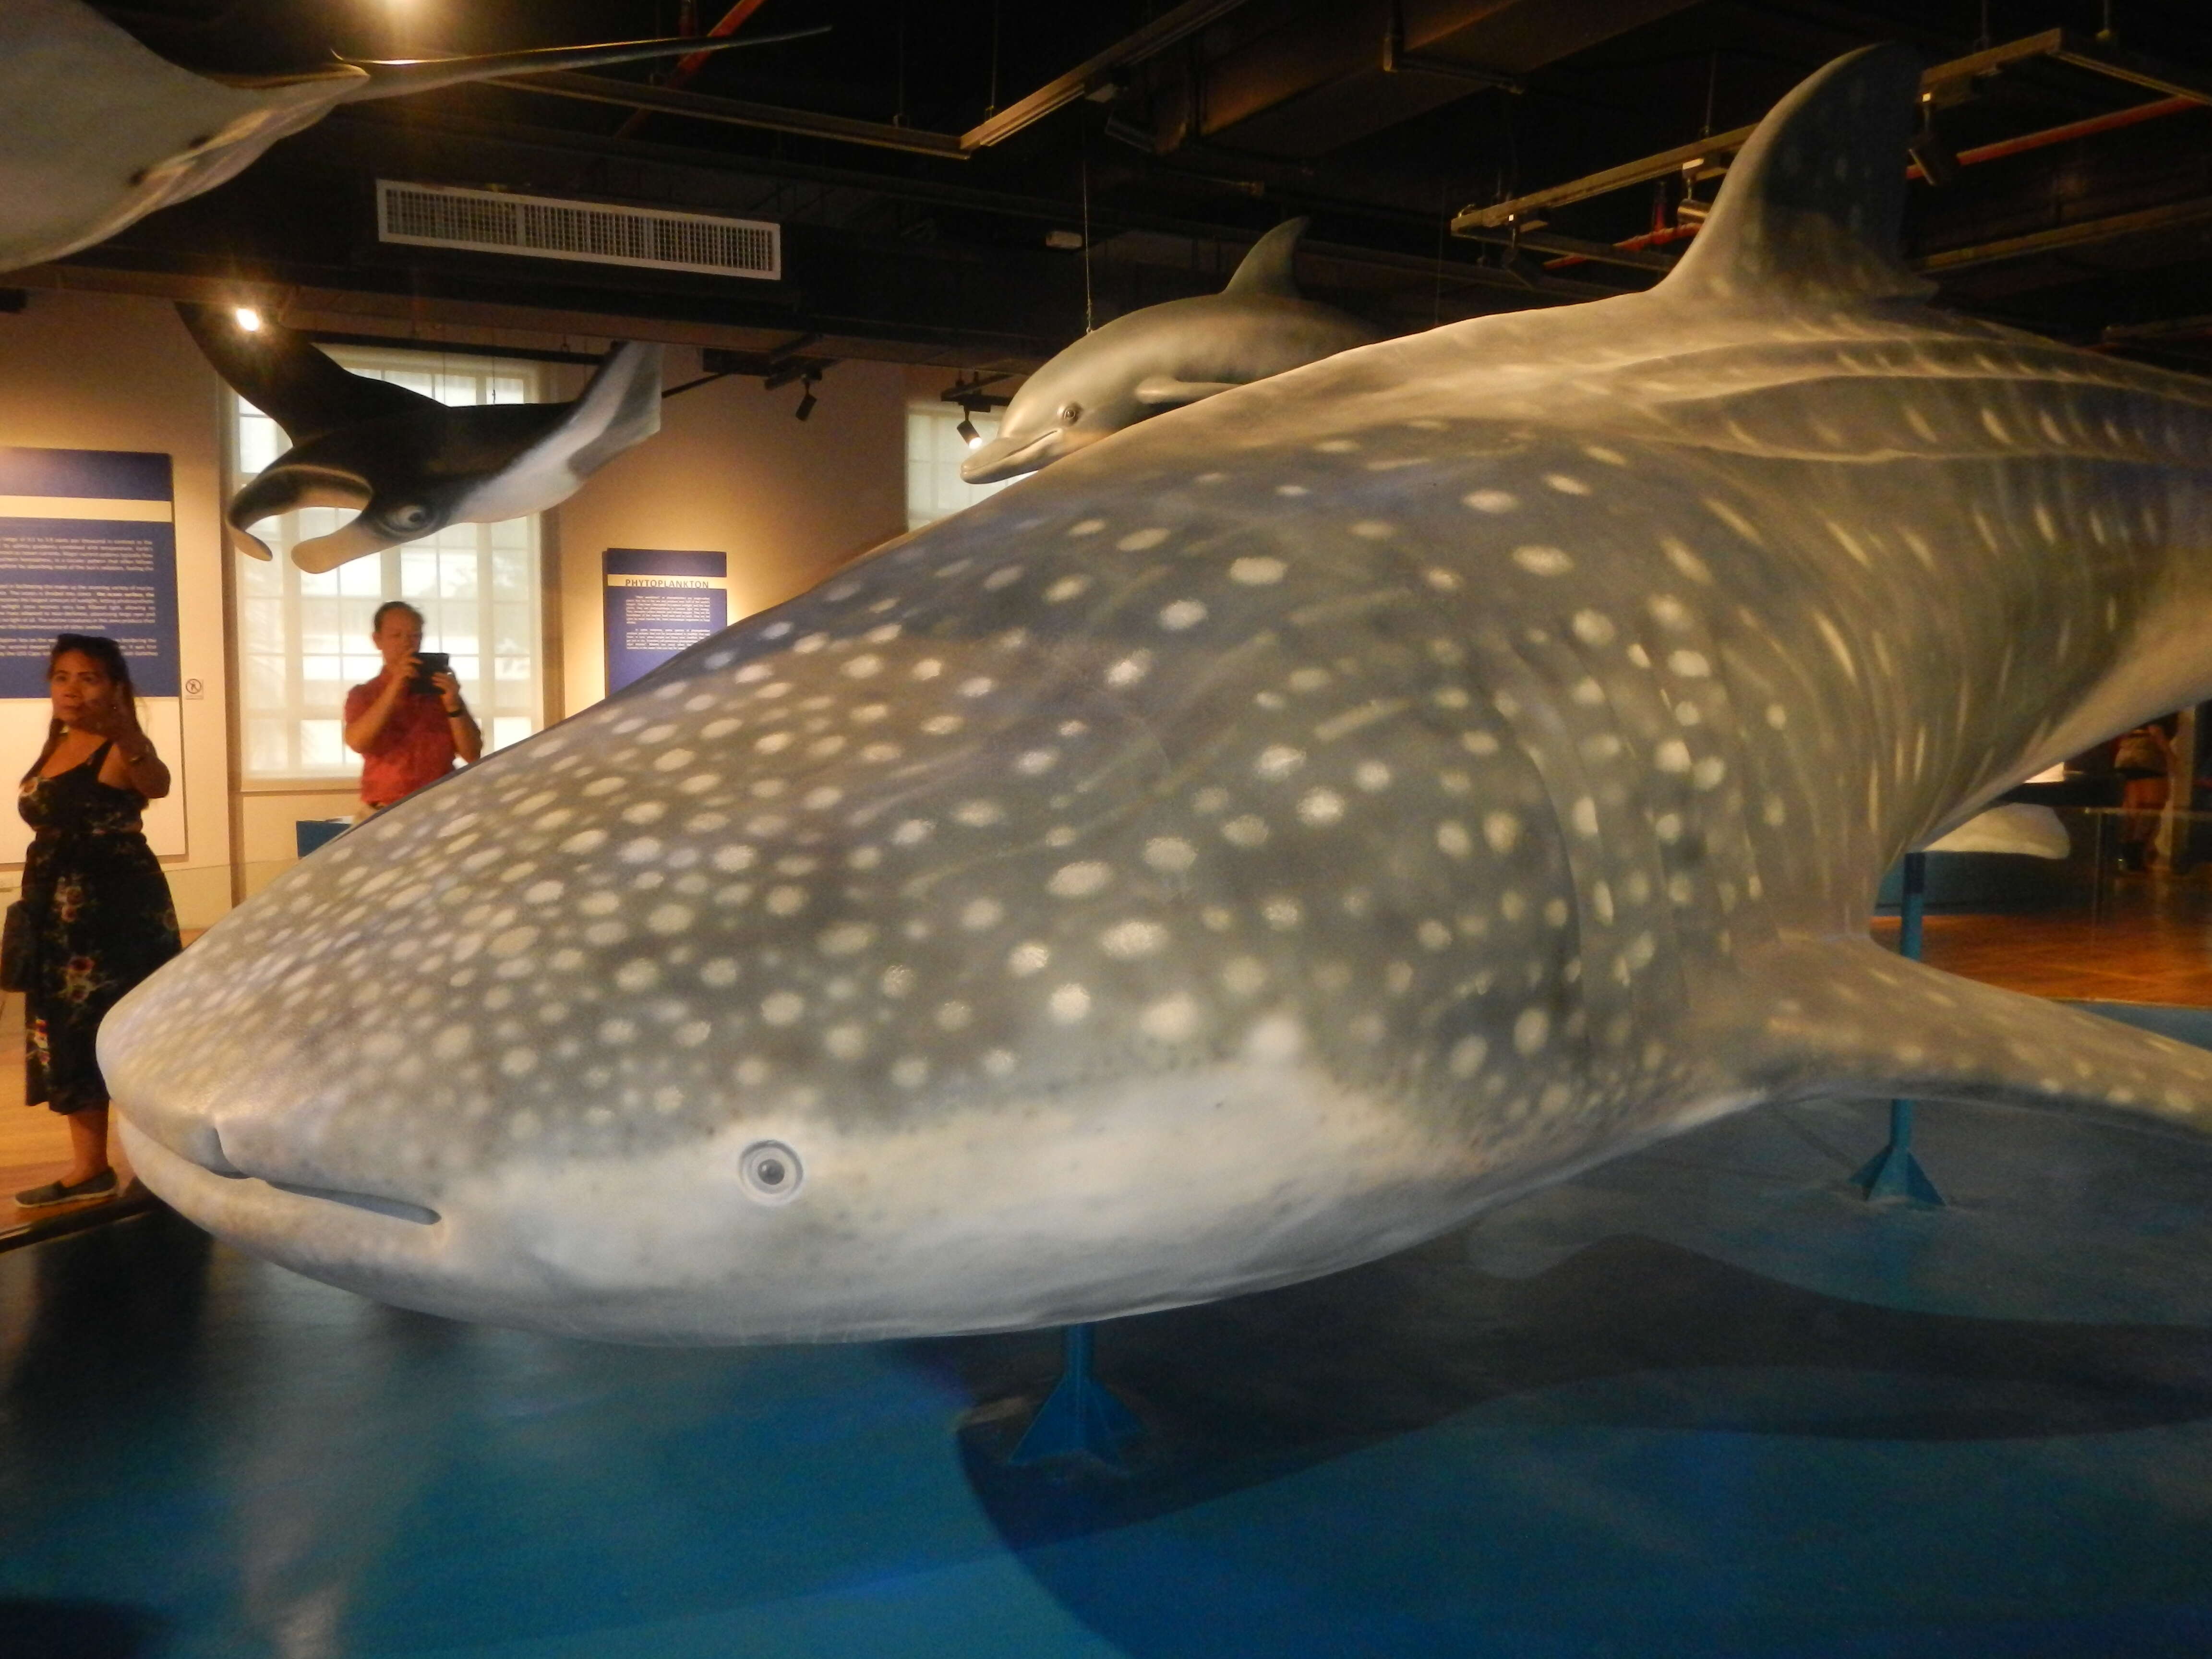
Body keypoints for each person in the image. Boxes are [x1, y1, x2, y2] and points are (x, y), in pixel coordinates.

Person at [13, 635, 181, 1208]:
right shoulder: (58, 741)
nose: (72, 688)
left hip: (114, 913)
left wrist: (128, 733)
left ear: (114, 687)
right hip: (58, 912)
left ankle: (160, 1169)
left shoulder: (118, 744)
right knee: (67, 1036)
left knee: (128, 1034)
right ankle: (90, 1168)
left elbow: (157, 783)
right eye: (62, 676)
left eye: (88, 678)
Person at [343, 600, 481, 817]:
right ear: (378, 640)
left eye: (415, 636)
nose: (407, 644)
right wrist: (395, 686)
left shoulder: (440, 690)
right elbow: (358, 742)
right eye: (396, 636)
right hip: (385, 811)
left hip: (442, 809)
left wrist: (454, 707)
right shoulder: (364, 694)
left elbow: (473, 753)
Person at [2113, 718, 2176, 873]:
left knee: (2131, 811)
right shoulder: (2161, 717)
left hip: (2125, 758)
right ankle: (2134, 855)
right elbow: (2158, 734)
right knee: (2150, 809)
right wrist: (2168, 754)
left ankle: (2126, 853)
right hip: (2149, 758)